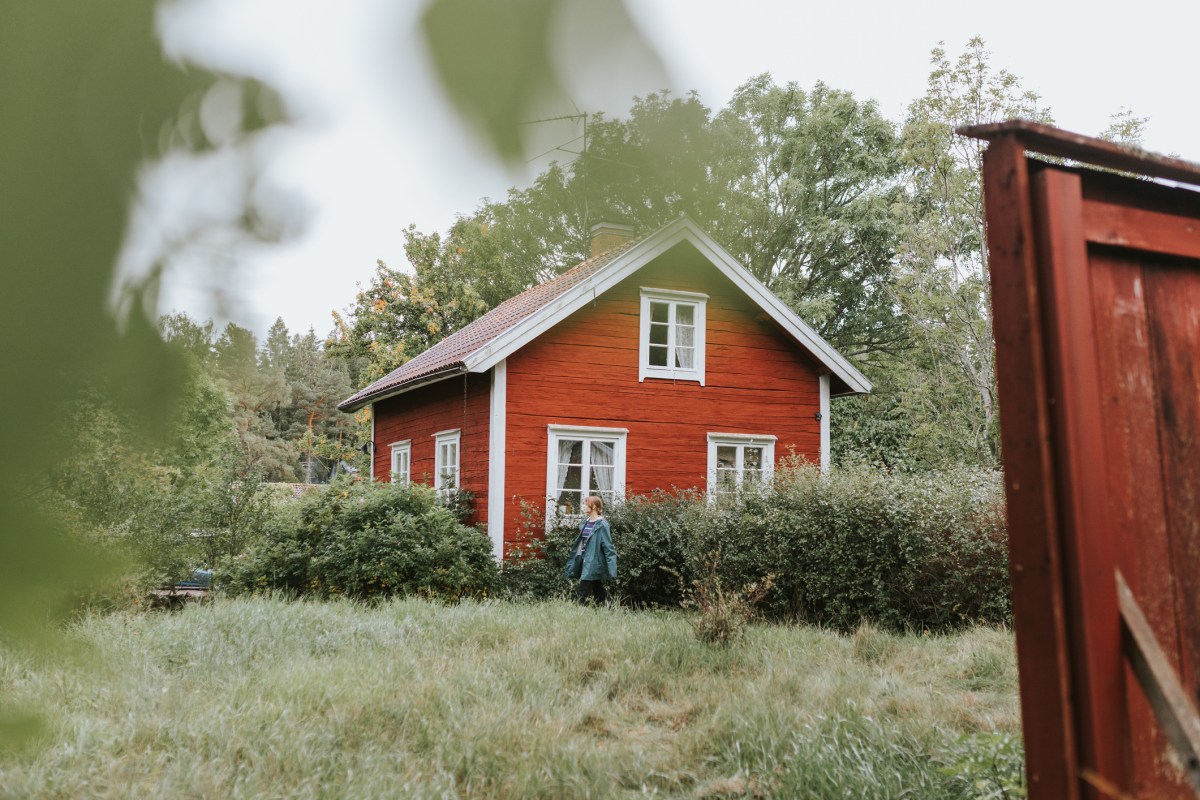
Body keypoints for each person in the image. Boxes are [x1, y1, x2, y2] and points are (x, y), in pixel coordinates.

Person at [563, 495, 617, 605]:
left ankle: (581, 609)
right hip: (583, 559)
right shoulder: (585, 522)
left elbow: (608, 547)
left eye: (585, 504)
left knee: (583, 588)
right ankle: (603, 607)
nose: (583, 506)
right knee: (597, 587)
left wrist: (612, 568)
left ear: (593, 506)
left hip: (593, 561)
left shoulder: (602, 525)